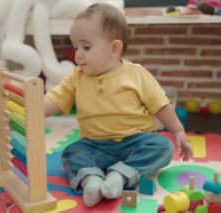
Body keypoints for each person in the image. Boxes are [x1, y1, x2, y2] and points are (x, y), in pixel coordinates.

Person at [43, 3, 193, 207]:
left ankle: (119, 177)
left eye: (86, 47)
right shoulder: (76, 77)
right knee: (71, 152)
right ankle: (92, 180)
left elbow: (161, 105)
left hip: (136, 141)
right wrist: (32, 108)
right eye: (76, 47)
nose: (78, 54)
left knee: (162, 146)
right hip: (95, 145)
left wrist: (178, 131)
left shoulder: (136, 74)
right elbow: (54, 99)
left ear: (114, 48)